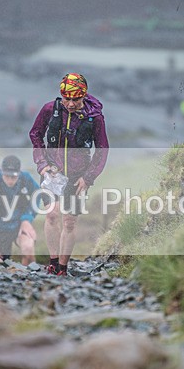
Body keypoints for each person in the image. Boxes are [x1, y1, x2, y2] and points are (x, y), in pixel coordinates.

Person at [29, 73, 109, 276]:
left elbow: (102, 149)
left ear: (84, 96)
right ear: (61, 95)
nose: (71, 104)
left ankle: (63, 269)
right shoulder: (50, 109)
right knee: (52, 215)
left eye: (76, 99)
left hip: (77, 177)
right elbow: (35, 133)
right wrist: (42, 164)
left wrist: (88, 177)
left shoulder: (95, 117)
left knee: (69, 222)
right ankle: (53, 263)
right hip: (52, 171)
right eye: (67, 99)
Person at [0, 155, 39, 266]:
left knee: (28, 248)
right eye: (7, 176)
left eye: (14, 177)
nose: (10, 181)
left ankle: (30, 274)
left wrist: (27, 219)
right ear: (1, 172)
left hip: (19, 225)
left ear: (19, 173)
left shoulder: (25, 178)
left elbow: (37, 194)